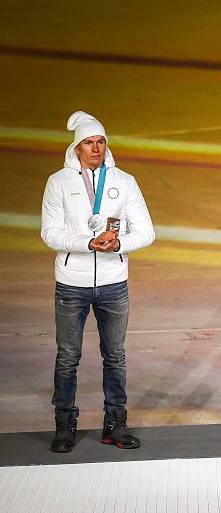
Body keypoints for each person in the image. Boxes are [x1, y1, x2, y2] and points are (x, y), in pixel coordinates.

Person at [41, 111, 155, 452]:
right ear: (76, 148)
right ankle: (64, 426)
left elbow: (147, 231)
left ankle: (115, 424)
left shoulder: (125, 181)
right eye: (88, 143)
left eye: (101, 142)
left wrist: (118, 244)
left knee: (115, 356)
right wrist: (87, 243)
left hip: (113, 282)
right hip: (71, 283)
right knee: (67, 357)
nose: (96, 148)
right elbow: (50, 233)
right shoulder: (58, 183)